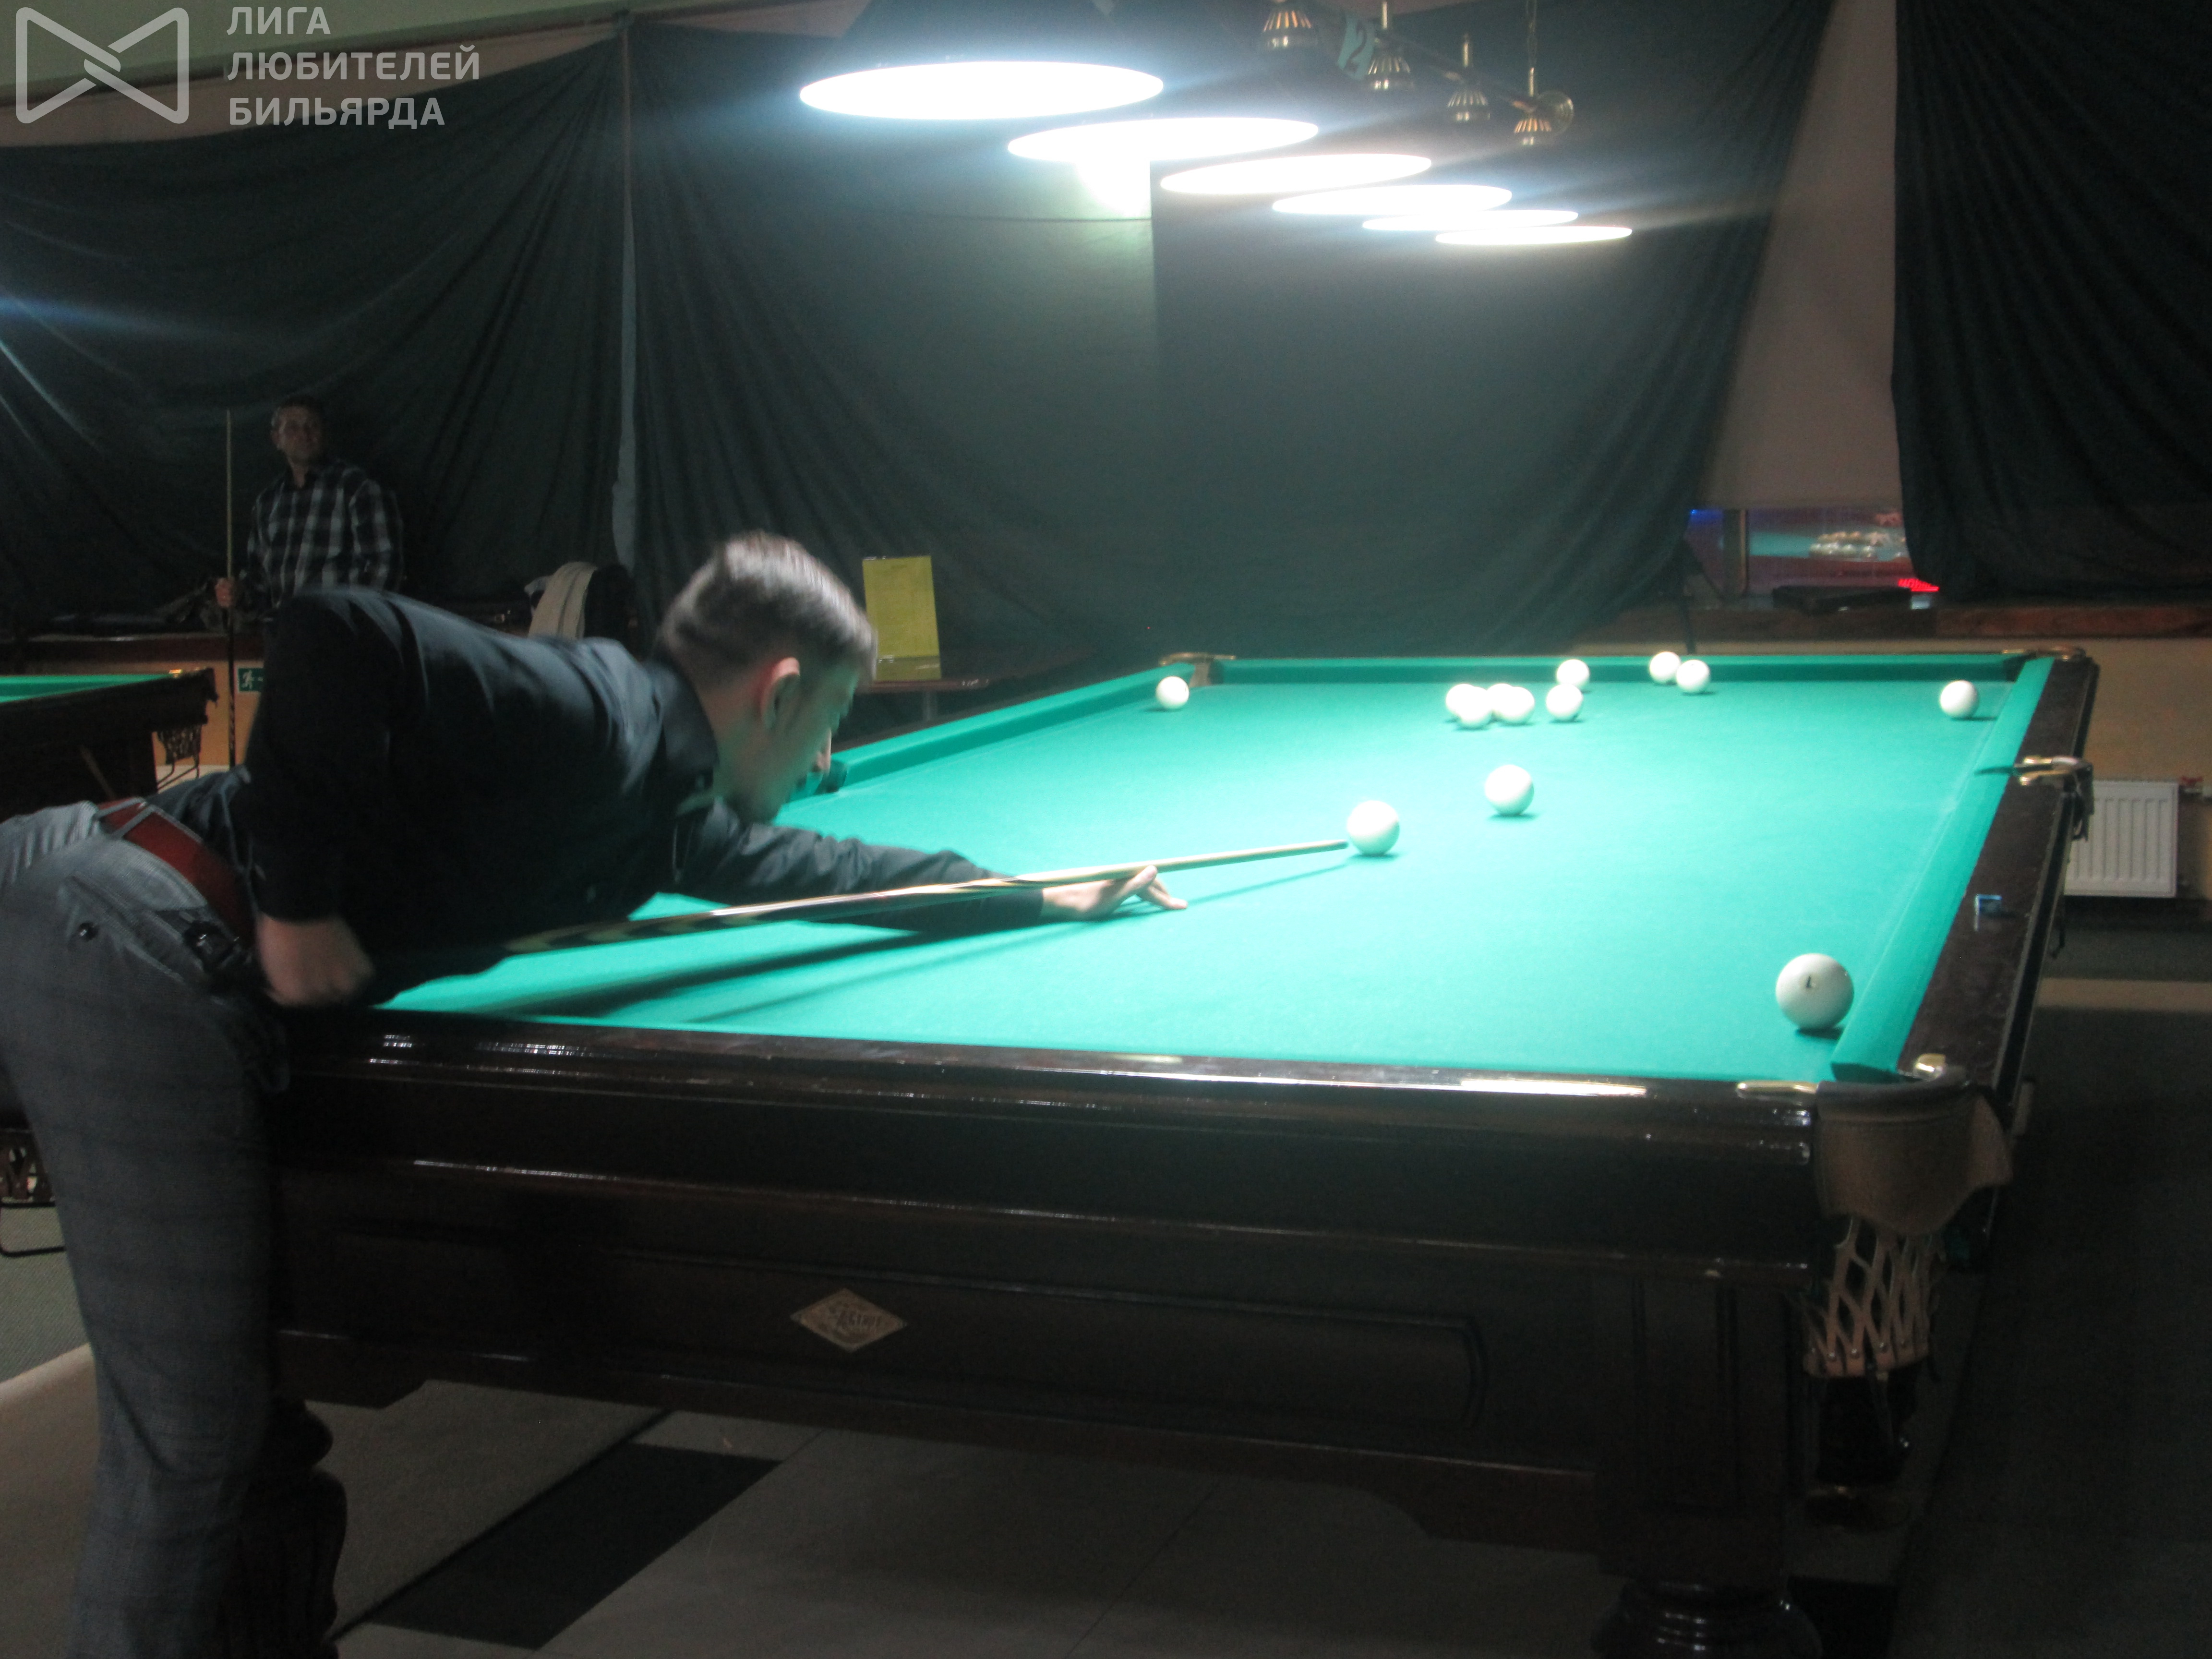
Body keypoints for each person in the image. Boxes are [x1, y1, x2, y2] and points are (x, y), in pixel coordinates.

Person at [0, 533, 1177, 1659]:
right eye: (828, 723)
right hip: (129, 923)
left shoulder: (661, 806)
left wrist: (1034, 891)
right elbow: (330, 633)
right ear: (777, 694)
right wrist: (300, 904)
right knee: (195, 1435)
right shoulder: (595, 713)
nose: (826, 760)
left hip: (125, 914)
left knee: (245, 1427)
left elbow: (822, 872)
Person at [213, 395, 403, 618]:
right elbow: (259, 582)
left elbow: (385, 567)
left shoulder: (358, 489)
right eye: (293, 428)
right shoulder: (267, 503)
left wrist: (350, 620)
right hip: (283, 628)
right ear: (277, 439)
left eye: (312, 426)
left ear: (324, 434)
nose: (304, 435)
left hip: (340, 628)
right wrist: (237, 593)